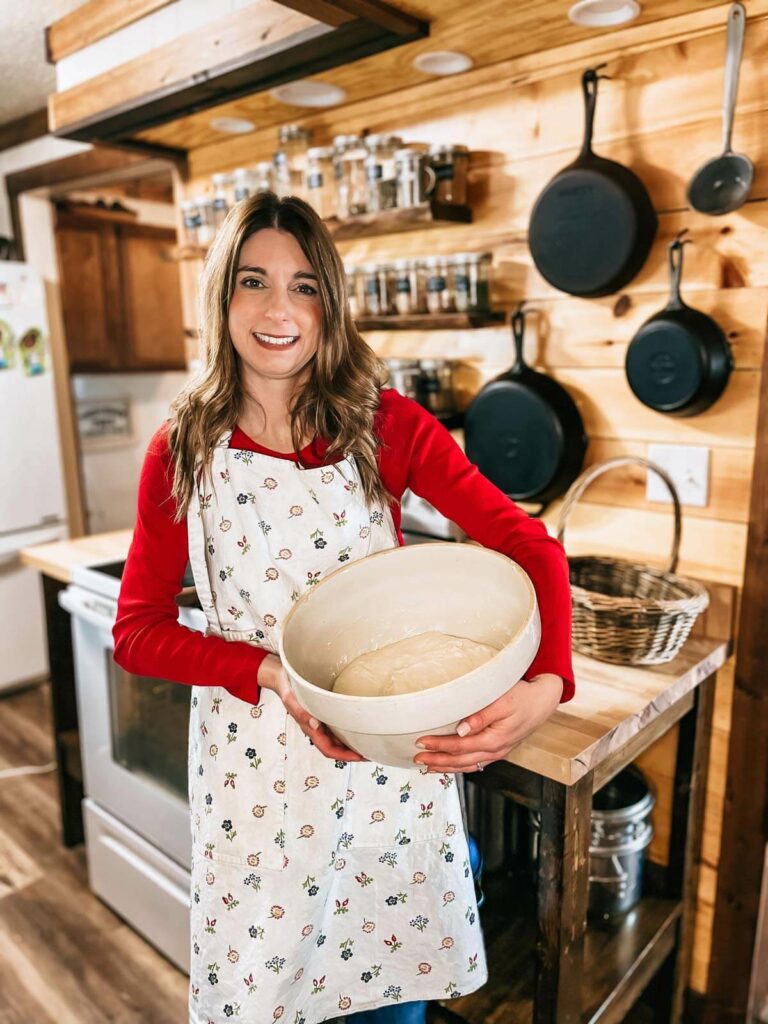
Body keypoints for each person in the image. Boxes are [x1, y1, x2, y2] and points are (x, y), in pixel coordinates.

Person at [113, 191, 575, 1024]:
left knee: (385, 995)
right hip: (255, 772)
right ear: (221, 297)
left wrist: (547, 683)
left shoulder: (385, 425)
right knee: (264, 997)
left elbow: (531, 548)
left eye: (305, 286)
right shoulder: (181, 449)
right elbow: (137, 632)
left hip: (385, 771)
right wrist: (269, 673)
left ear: (331, 303)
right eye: (253, 281)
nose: (279, 309)